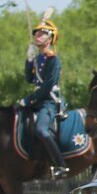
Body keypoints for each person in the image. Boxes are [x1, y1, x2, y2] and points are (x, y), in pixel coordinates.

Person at [20, 10, 69, 179]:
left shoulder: (53, 60)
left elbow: (48, 85)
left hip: (48, 101)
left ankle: (61, 165)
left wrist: (29, 99)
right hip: (37, 100)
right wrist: (28, 61)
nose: (37, 36)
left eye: (42, 34)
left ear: (50, 39)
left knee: (41, 130)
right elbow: (29, 79)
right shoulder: (37, 58)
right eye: (37, 34)